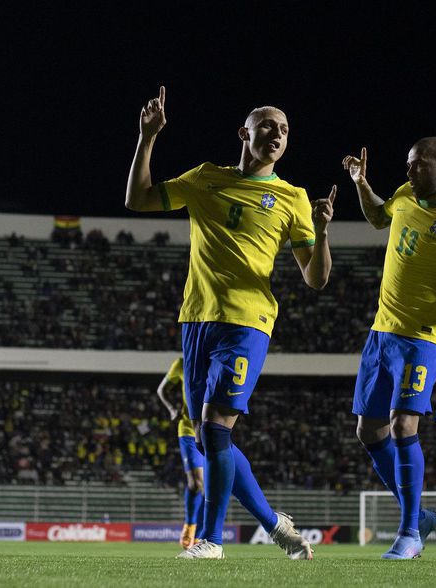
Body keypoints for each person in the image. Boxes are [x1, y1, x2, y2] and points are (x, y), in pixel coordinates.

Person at [126, 86, 335, 560]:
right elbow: (138, 200)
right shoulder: (205, 179)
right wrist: (147, 138)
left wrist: (321, 232)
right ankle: (272, 523)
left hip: (248, 321)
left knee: (216, 429)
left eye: (284, 131)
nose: (278, 135)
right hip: (196, 318)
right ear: (245, 133)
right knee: (208, 436)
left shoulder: (293, 198)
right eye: (268, 127)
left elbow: (316, 278)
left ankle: (212, 540)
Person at [343, 140, 436, 560]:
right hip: (381, 331)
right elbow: (376, 216)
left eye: (416, 165)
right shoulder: (406, 195)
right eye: (407, 164)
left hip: (423, 337)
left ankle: (409, 533)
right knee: (368, 431)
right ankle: (420, 515)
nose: (407, 172)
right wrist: (361, 183)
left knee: (404, 426)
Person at [157, 357, 203, 549]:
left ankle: (202, 536)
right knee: (197, 484)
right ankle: (190, 527)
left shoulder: (215, 361)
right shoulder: (182, 363)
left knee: (207, 487)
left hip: (212, 429)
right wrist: (171, 408)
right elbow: (162, 390)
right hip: (188, 430)